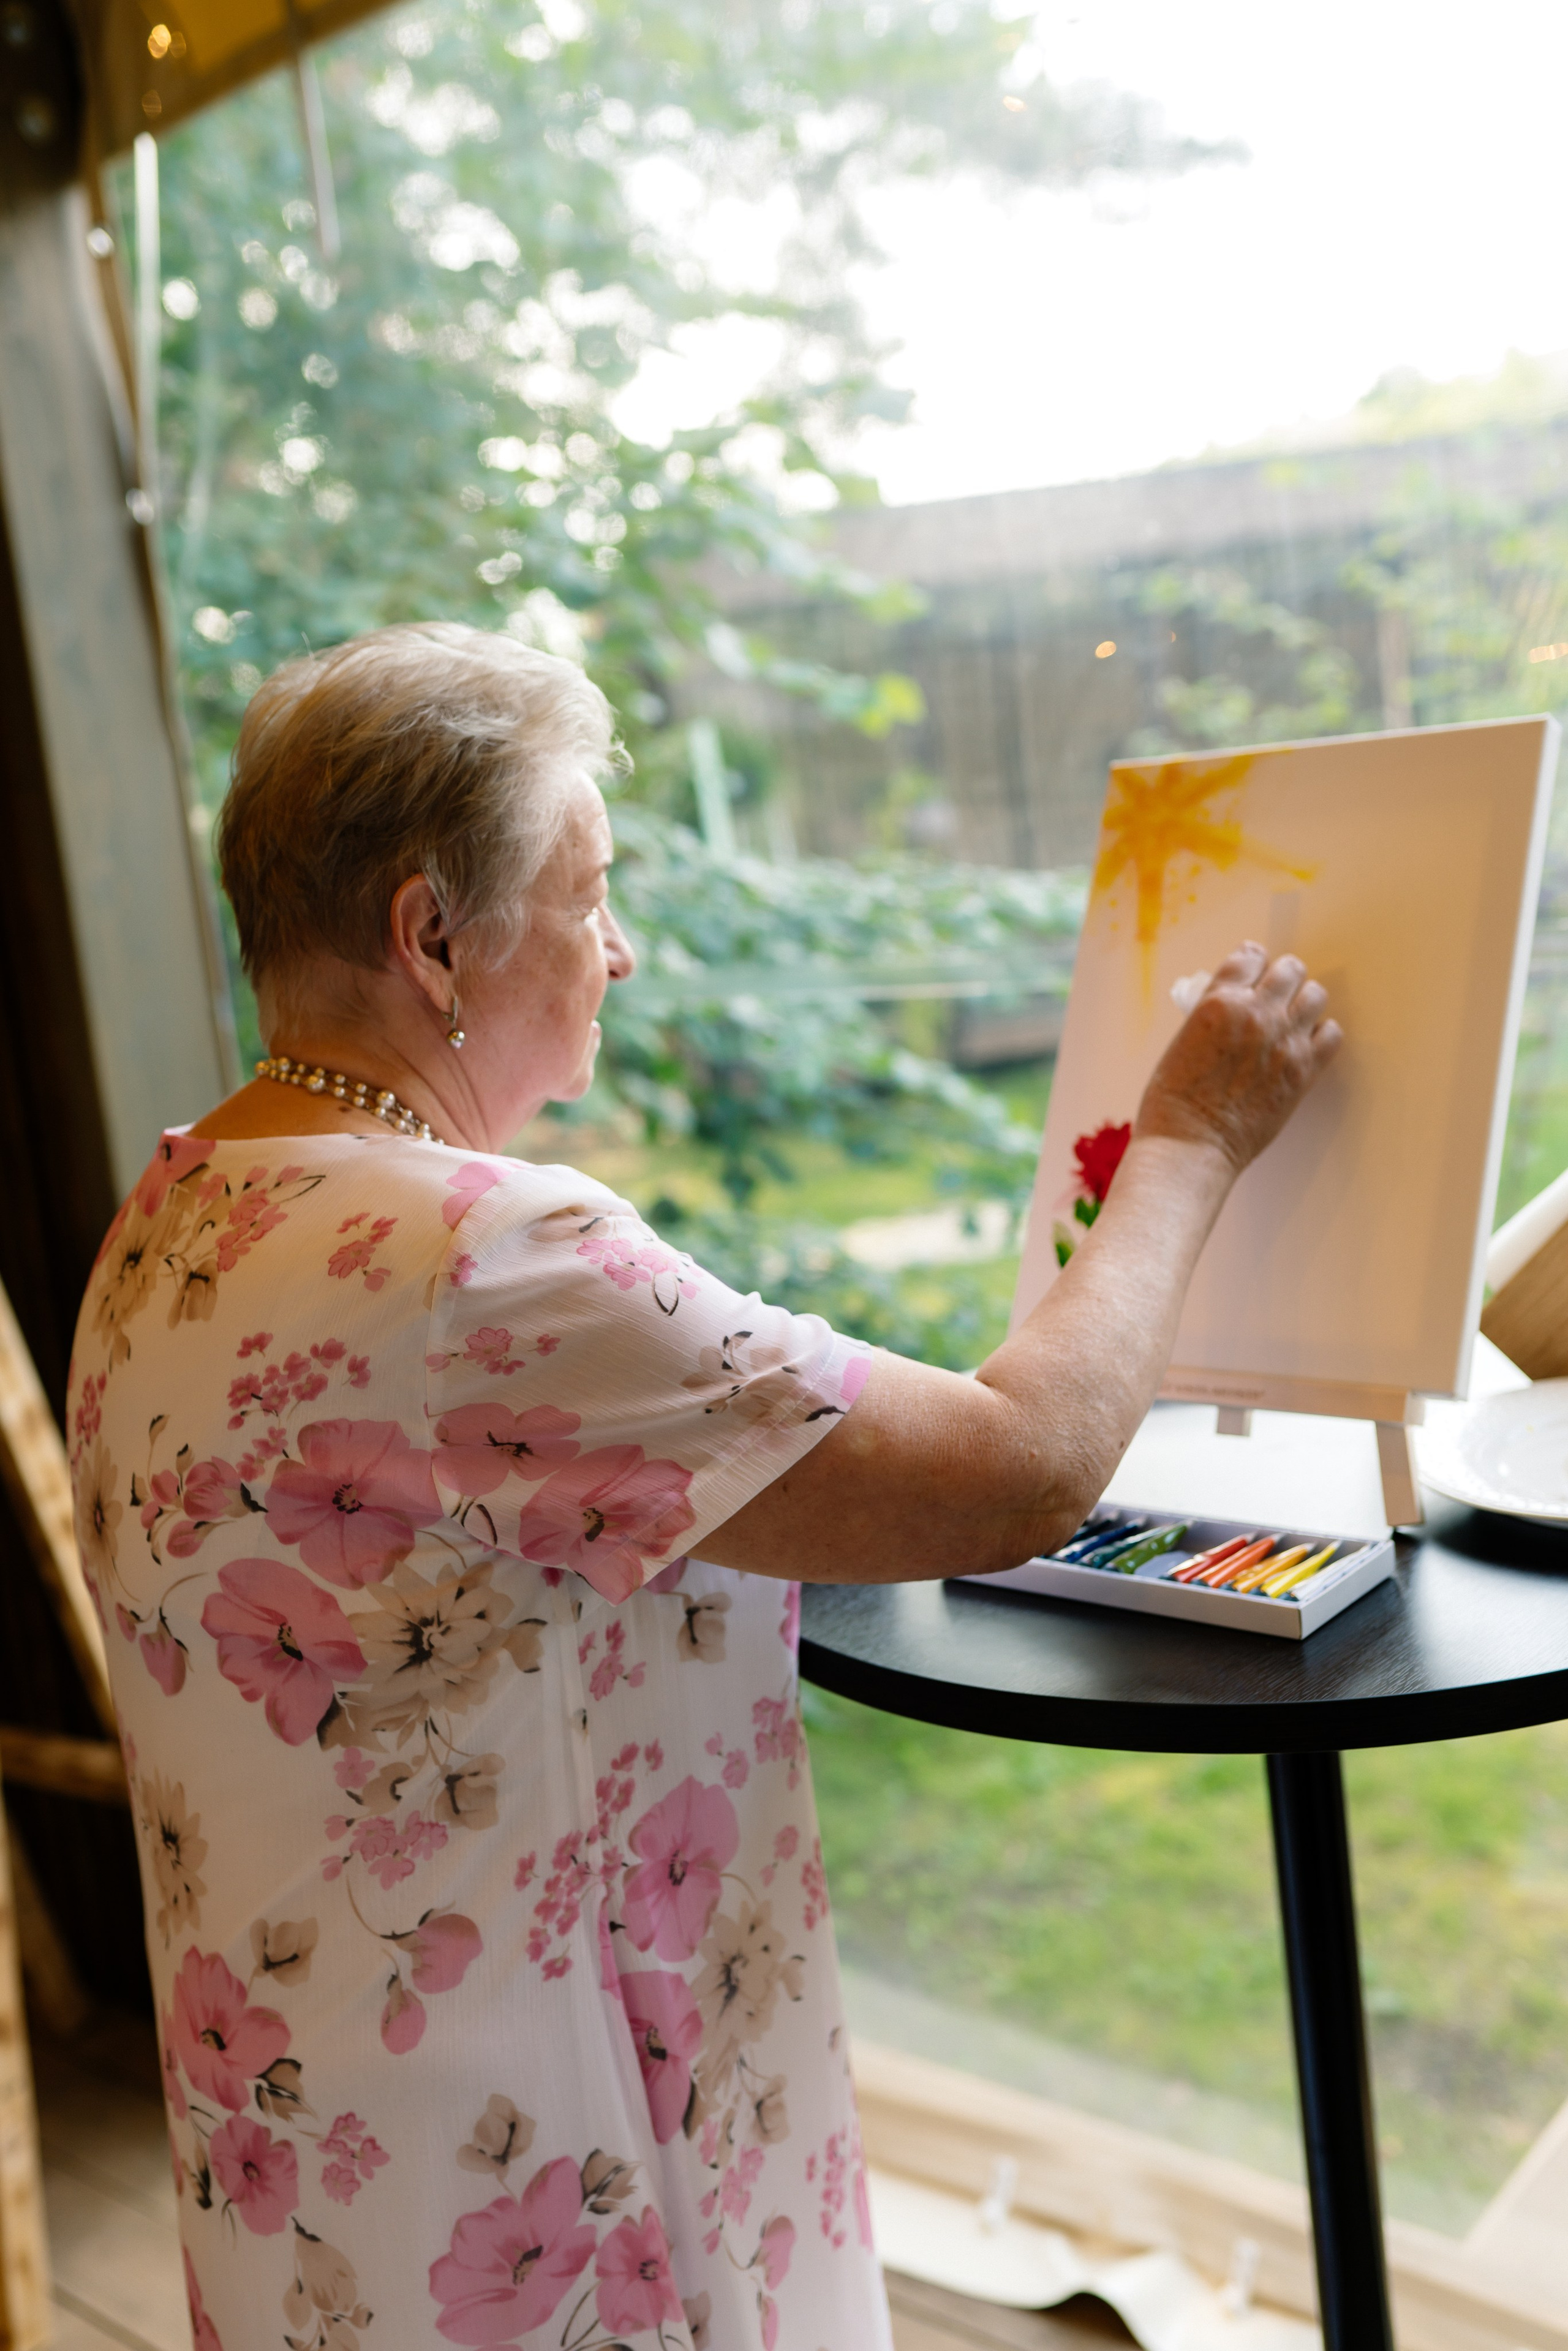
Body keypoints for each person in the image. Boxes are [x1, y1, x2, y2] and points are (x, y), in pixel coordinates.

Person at [67, 622, 1339, 2351]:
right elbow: (1025, 1469)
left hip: (318, 2198)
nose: (627, 950)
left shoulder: (171, 1219)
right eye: (591, 894)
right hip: (557, 2211)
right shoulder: (483, 1260)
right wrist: (1191, 1136)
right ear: (433, 933)